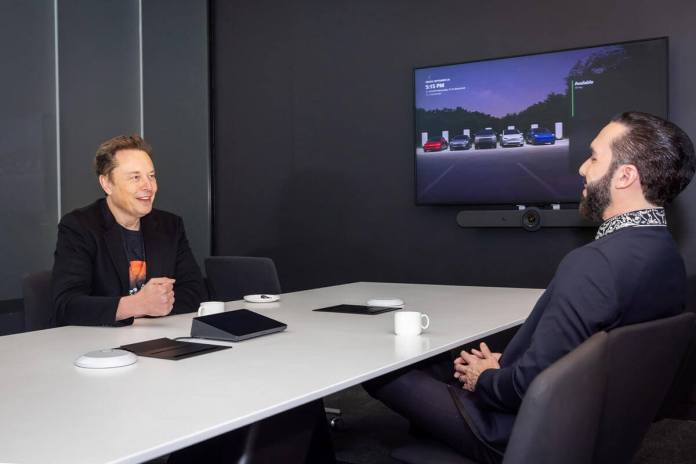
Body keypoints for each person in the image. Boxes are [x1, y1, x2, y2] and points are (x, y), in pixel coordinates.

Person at [365, 111, 696, 463]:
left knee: (376, 367)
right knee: (439, 366)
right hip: (585, 426)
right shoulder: (666, 257)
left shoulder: (595, 264)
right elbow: (575, 359)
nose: (583, 168)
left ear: (625, 176)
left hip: (512, 431)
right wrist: (504, 365)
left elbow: (526, 389)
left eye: (595, 157)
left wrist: (487, 377)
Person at [52, 134, 206, 326]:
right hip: (99, 345)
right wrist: (135, 306)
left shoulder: (170, 226)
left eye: (151, 176)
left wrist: (150, 308)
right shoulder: (79, 226)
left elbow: (194, 292)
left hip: (159, 336)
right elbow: (66, 305)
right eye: (135, 177)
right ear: (107, 184)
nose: (148, 186)